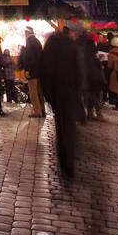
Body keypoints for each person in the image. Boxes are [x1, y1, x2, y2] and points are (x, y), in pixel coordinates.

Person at [41, 26, 82, 177]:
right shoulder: (71, 45)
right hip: (69, 90)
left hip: (56, 91)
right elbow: (78, 70)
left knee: (61, 124)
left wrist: (49, 95)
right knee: (69, 126)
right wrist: (77, 89)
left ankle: (64, 158)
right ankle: (68, 161)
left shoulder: (51, 44)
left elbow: (45, 69)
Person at [20, 26, 45, 118]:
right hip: (39, 72)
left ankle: (37, 112)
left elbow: (29, 58)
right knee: (39, 92)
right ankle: (42, 110)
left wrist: (27, 70)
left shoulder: (30, 42)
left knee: (33, 92)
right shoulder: (37, 41)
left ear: (27, 33)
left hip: (32, 72)